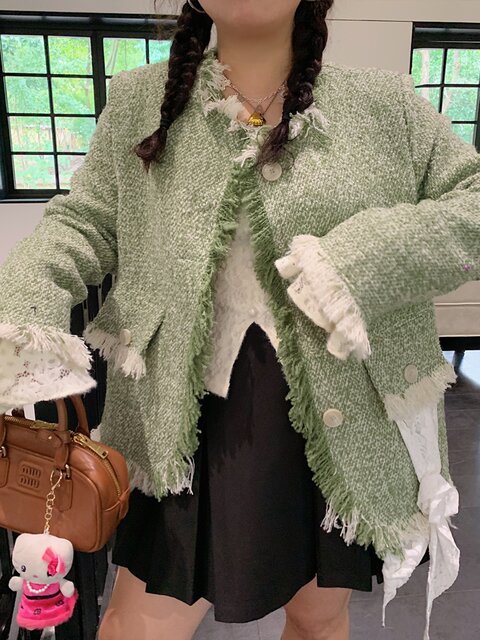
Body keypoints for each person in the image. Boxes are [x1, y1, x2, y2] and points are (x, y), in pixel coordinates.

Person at [1, 0, 478, 639]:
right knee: (134, 626)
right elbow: (82, 222)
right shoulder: (142, 100)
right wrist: (19, 312)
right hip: (179, 420)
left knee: (318, 620)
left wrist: (356, 263)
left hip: (345, 418)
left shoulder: (383, 105)